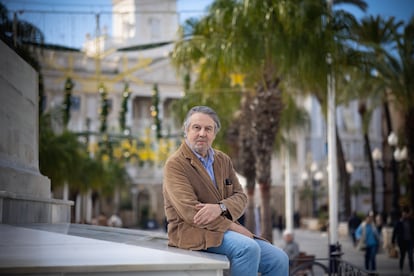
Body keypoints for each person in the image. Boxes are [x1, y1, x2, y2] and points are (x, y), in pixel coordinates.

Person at [163, 106, 289, 276]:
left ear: (214, 134)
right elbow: (191, 213)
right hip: (191, 232)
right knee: (247, 248)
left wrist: (220, 207)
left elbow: (241, 197)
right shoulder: (175, 164)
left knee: (279, 258)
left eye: (208, 129)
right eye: (196, 128)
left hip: (223, 231)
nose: (202, 133)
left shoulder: (223, 160)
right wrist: (233, 227)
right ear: (186, 131)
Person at [392, 207, 414, 275]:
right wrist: (392, 241)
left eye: (406, 214)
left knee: (410, 256)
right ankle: (401, 269)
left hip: (410, 241)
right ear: (402, 214)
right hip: (402, 242)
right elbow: (395, 232)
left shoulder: (411, 221)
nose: (405, 215)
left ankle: (411, 270)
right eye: (404, 214)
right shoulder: (399, 222)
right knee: (402, 256)